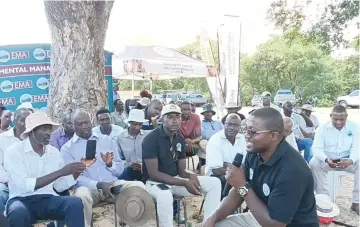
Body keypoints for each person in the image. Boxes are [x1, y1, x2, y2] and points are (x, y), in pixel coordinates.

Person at [203, 107, 319, 227]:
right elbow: (237, 193)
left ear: (274, 136)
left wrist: (242, 185)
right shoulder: (254, 153)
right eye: (245, 129)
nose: (246, 135)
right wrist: (214, 217)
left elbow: (275, 224)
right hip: (261, 217)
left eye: (253, 132)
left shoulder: (293, 170)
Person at [61, 109, 145, 227]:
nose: (84, 126)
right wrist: (98, 184)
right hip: (88, 188)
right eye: (80, 124)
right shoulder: (67, 148)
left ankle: (130, 223)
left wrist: (110, 164)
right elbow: (72, 178)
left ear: (92, 122)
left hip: (112, 185)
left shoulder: (106, 140)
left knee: (139, 187)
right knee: (81, 198)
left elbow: (120, 170)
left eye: (86, 122)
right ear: (73, 126)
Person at [142, 104, 221, 227]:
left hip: (175, 180)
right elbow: (154, 174)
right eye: (170, 117)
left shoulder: (179, 138)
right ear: (162, 119)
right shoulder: (151, 139)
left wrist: (191, 175)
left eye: (177, 117)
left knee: (215, 183)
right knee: (165, 195)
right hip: (154, 183)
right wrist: (184, 182)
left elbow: (182, 170)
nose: (175, 120)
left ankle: (209, 224)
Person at [4, 112, 86, 227]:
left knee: (75, 203)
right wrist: (61, 172)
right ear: (32, 131)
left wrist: (75, 173)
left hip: (48, 199)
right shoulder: (14, 151)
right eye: (44, 129)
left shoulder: (54, 152)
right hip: (21, 199)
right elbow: (24, 184)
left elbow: (59, 186)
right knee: (17, 212)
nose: (49, 133)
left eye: (49, 129)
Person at [309, 105, 359, 214]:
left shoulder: (355, 127)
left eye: (342, 119)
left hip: (347, 160)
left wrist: (351, 160)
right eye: (335, 119)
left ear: (347, 116)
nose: (339, 122)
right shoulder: (322, 128)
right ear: (330, 116)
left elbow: (357, 147)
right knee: (313, 163)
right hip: (328, 160)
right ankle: (323, 200)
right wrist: (327, 159)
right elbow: (316, 148)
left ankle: (356, 201)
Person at [205, 114, 246, 199]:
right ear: (224, 124)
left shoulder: (242, 139)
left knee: (256, 180)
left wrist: (226, 164)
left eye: (235, 125)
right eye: (229, 124)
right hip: (217, 178)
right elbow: (216, 170)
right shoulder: (215, 140)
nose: (231, 127)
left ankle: (249, 207)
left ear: (239, 127)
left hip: (237, 175)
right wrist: (236, 169)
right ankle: (225, 208)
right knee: (228, 180)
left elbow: (246, 164)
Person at [0, 108, 31, 214]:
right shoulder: (2, 139)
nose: (27, 124)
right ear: (14, 122)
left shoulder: (35, 139)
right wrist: (12, 181)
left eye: (29, 120)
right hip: (7, 184)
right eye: (23, 120)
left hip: (31, 183)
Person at [117, 109, 149, 181]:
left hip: (145, 169)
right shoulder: (120, 138)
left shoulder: (147, 136)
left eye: (140, 124)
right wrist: (129, 164)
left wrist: (142, 166)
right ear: (129, 123)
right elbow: (118, 159)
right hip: (128, 170)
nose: (137, 127)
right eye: (135, 124)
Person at [198, 104, 223, 170]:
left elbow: (224, 133)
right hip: (207, 142)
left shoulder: (218, 122)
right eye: (206, 112)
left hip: (219, 141)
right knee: (204, 143)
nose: (208, 114)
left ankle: (218, 166)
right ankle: (204, 167)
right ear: (203, 114)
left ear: (212, 113)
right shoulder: (201, 123)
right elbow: (204, 134)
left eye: (209, 112)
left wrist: (210, 132)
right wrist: (217, 132)